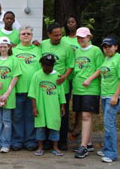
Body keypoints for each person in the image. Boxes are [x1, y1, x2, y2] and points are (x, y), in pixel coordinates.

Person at [83, 37, 120, 163]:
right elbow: (99, 70)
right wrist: (89, 79)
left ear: (116, 46)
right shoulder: (107, 59)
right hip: (105, 95)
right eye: (105, 47)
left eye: (110, 46)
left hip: (113, 96)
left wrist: (115, 95)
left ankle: (111, 153)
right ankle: (107, 148)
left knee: (109, 124)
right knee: (108, 123)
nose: (107, 49)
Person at [40, 22, 74, 150]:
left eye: (60, 35)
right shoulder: (43, 44)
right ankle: (48, 140)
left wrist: (65, 77)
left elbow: (71, 65)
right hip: (45, 86)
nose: (58, 37)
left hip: (61, 86)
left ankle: (62, 141)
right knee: (48, 113)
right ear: (49, 35)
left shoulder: (67, 47)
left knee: (61, 114)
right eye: (55, 35)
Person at [72, 27, 104, 159]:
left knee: (86, 115)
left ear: (89, 37)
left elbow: (101, 68)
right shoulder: (76, 51)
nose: (80, 40)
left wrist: (89, 79)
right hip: (78, 87)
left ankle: (83, 146)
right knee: (84, 116)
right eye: (78, 37)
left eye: (83, 37)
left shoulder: (95, 50)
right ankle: (89, 142)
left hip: (90, 88)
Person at [29, 54, 66, 157]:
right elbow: (33, 93)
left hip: (53, 106)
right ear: (41, 64)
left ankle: (55, 147)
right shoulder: (37, 75)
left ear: (53, 65)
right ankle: (40, 147)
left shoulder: (57, 76)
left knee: (54, 125)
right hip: (40, 105)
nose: (47, 68)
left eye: (49, 65)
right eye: (45, 65)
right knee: (40, 126)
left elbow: (61, 93)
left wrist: (62, 106)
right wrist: (34, 107)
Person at [11, 26, 41, 151]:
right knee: (17, 116)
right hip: (18, 89)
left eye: (28, 33)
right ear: (19, 36)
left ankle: (30, 140)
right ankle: (17, 141)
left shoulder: (38, 50)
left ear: (32, 36)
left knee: (30, 116)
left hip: (32, 90)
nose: (26, 35)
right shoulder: (14, 50)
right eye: (23, 33)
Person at [0, 37, 21, 153]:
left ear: (9, 47)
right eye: (1, 46)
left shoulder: (14, 60)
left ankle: (5, 144)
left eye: (5, 46)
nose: (3, 48)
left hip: (9, 95)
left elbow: (16, 77)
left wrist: (7, 93)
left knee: (7, 121)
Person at [61, 15, 82, 139]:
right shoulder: (63, 39)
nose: (70, 24)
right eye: (68, 22)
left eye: (73, 22)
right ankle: (66, 124)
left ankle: (78, 125)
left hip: (79, 74)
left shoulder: (82, 39)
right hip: (67, 76)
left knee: (78, 102)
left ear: (77, 23)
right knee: (66, 101)